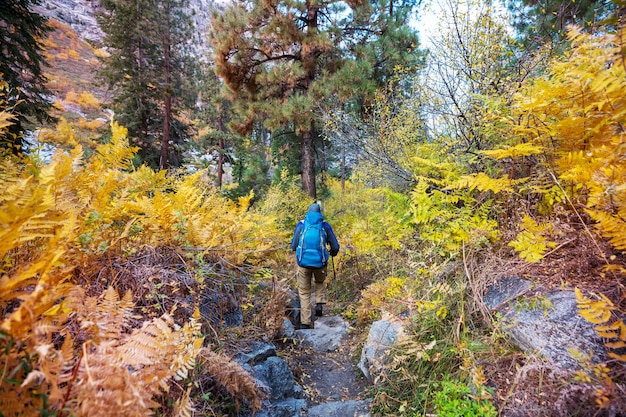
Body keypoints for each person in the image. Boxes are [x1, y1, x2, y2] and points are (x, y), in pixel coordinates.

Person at [290, 202, 340, 329]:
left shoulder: (301, 224)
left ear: (308, 212)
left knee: (304, 292)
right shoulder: (324, 225)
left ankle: (305, 322)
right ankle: (319, 304)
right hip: (320, 263)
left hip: (303, 263)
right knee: (319, 282)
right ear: (320, 213)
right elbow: (335, 246)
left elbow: (293, 246)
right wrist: (332, 252)